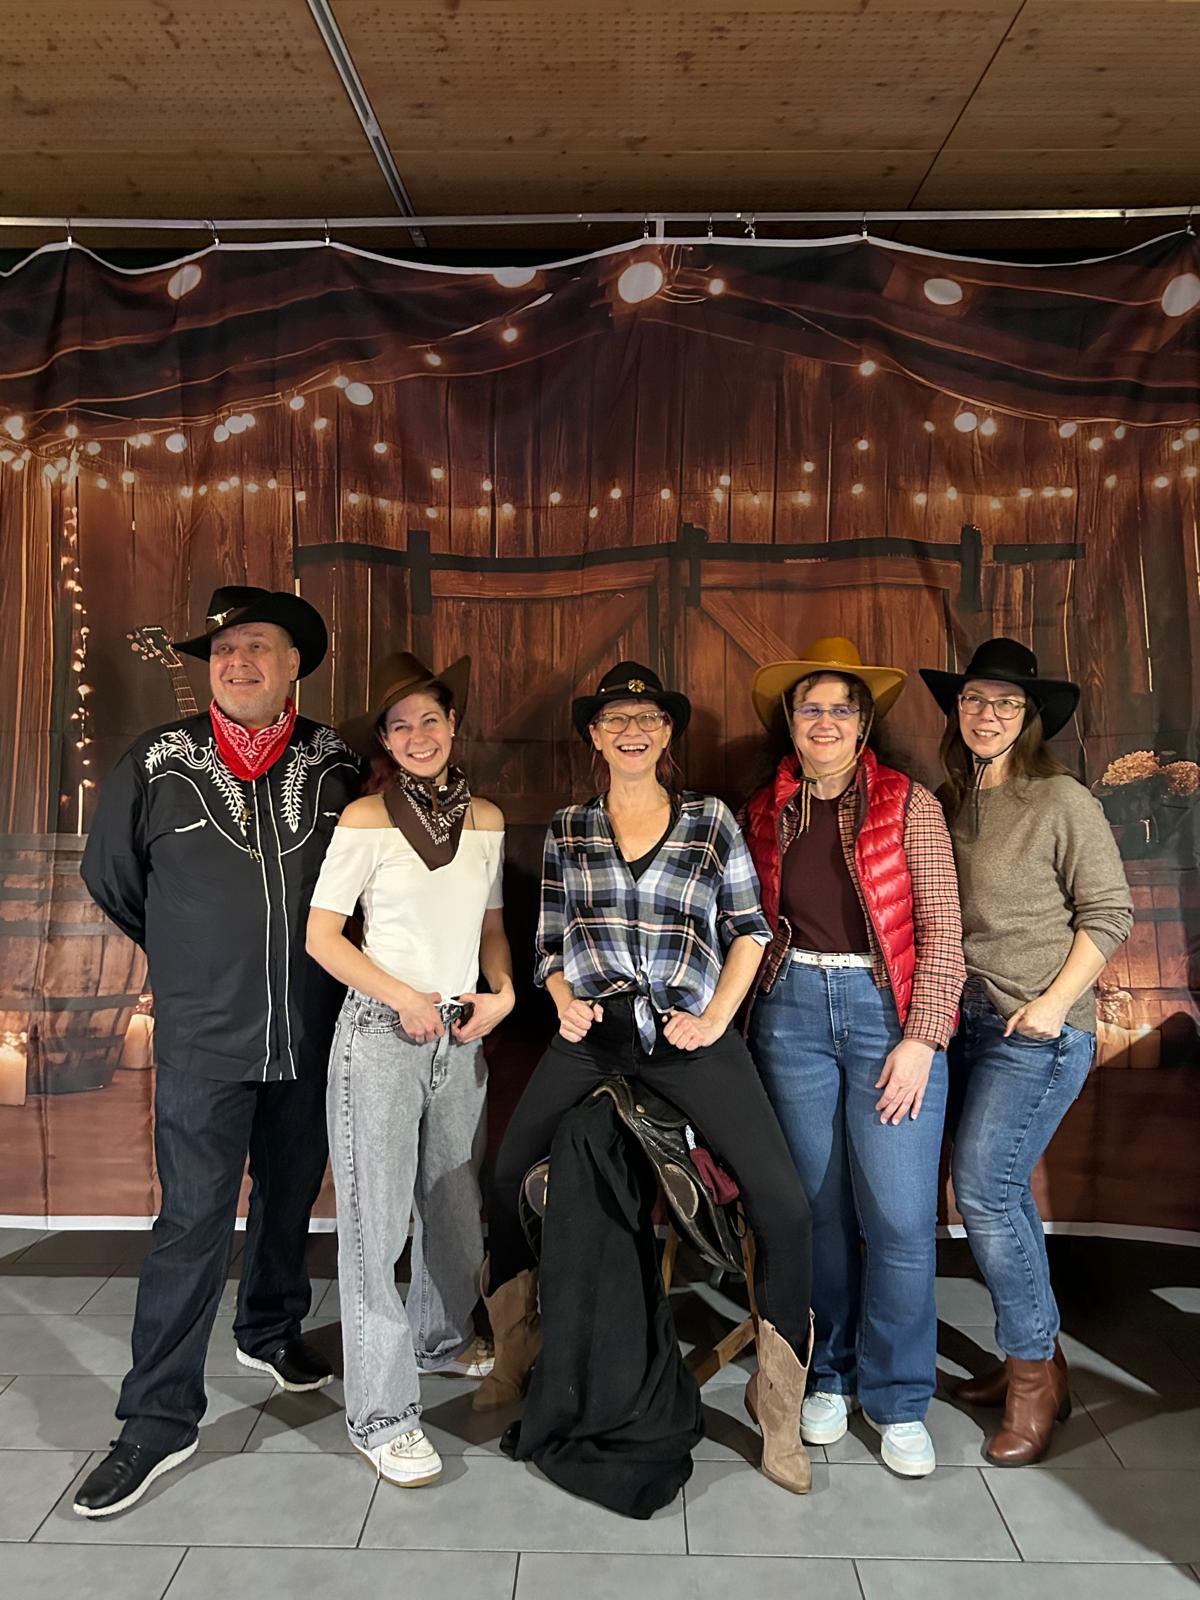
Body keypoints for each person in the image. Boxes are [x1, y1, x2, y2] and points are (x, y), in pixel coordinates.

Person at [478, 660, 816, 1496]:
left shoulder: (709, 821)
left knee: (784, 1204)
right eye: (616, 720)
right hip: (595, 1039)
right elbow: (549, 941)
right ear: (594, 737)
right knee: (506, 1174)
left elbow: (750, 929)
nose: (632, 732)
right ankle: (517, 1351)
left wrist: (717, 1018)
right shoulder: (570, 828)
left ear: (667, 734)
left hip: (689, 1037)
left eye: (648, 719)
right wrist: (563, 1001)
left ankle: (779, 1408)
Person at [75, 585, 361, 1517]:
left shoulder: (336, 763)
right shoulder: (158, 761)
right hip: (204, 1036)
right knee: (192, 1220)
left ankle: (269, 1328)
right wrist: (194, 955)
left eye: (257, 647)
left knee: (290, 1193)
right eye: (224, 650)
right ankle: (157, 1422)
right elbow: (114, 878)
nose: (237, 663)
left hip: (312, 1029)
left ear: (293, 664)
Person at [742, 637, 965, 1478]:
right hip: (791, 1014)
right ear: (790, 721)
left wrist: (922, 1037)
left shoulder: (910, 804)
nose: (826, 721)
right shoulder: (765, 809)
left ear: (864, 723)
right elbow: (748, 924)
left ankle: (899, 1397)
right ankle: (829, 1375)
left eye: (842, 708)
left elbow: (941, 929)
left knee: (900, 1220)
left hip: (885, 1015)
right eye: (812, 707)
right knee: (819, 1214)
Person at [920, 638, 1132, 1464]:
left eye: (1006, 703)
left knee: (987, 1189)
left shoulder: (1062, 799)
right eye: (975, 699)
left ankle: (1036, 1376)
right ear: (957, 709)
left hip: (1036, 1029)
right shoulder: (951, 801)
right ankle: (1031, 1359)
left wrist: (1049, 1005)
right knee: (983, 1194)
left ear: (1029, 716)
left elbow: (1109, 913)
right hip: (963, 1022)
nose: (988, 714)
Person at [306, 651, 514, 1488]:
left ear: (453, 725)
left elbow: (490, 925)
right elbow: (323, 938)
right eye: (401, 726)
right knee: (376, 1227)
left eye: (431, 718)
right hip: (382, 1035)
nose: (419, 734)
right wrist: (399, 998)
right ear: (386, 743)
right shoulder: (365, 819)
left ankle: (440, 1338)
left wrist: (502, 992)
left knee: (454, 1206)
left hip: (460, 1033)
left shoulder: (487, 820)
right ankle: (381, 1415)